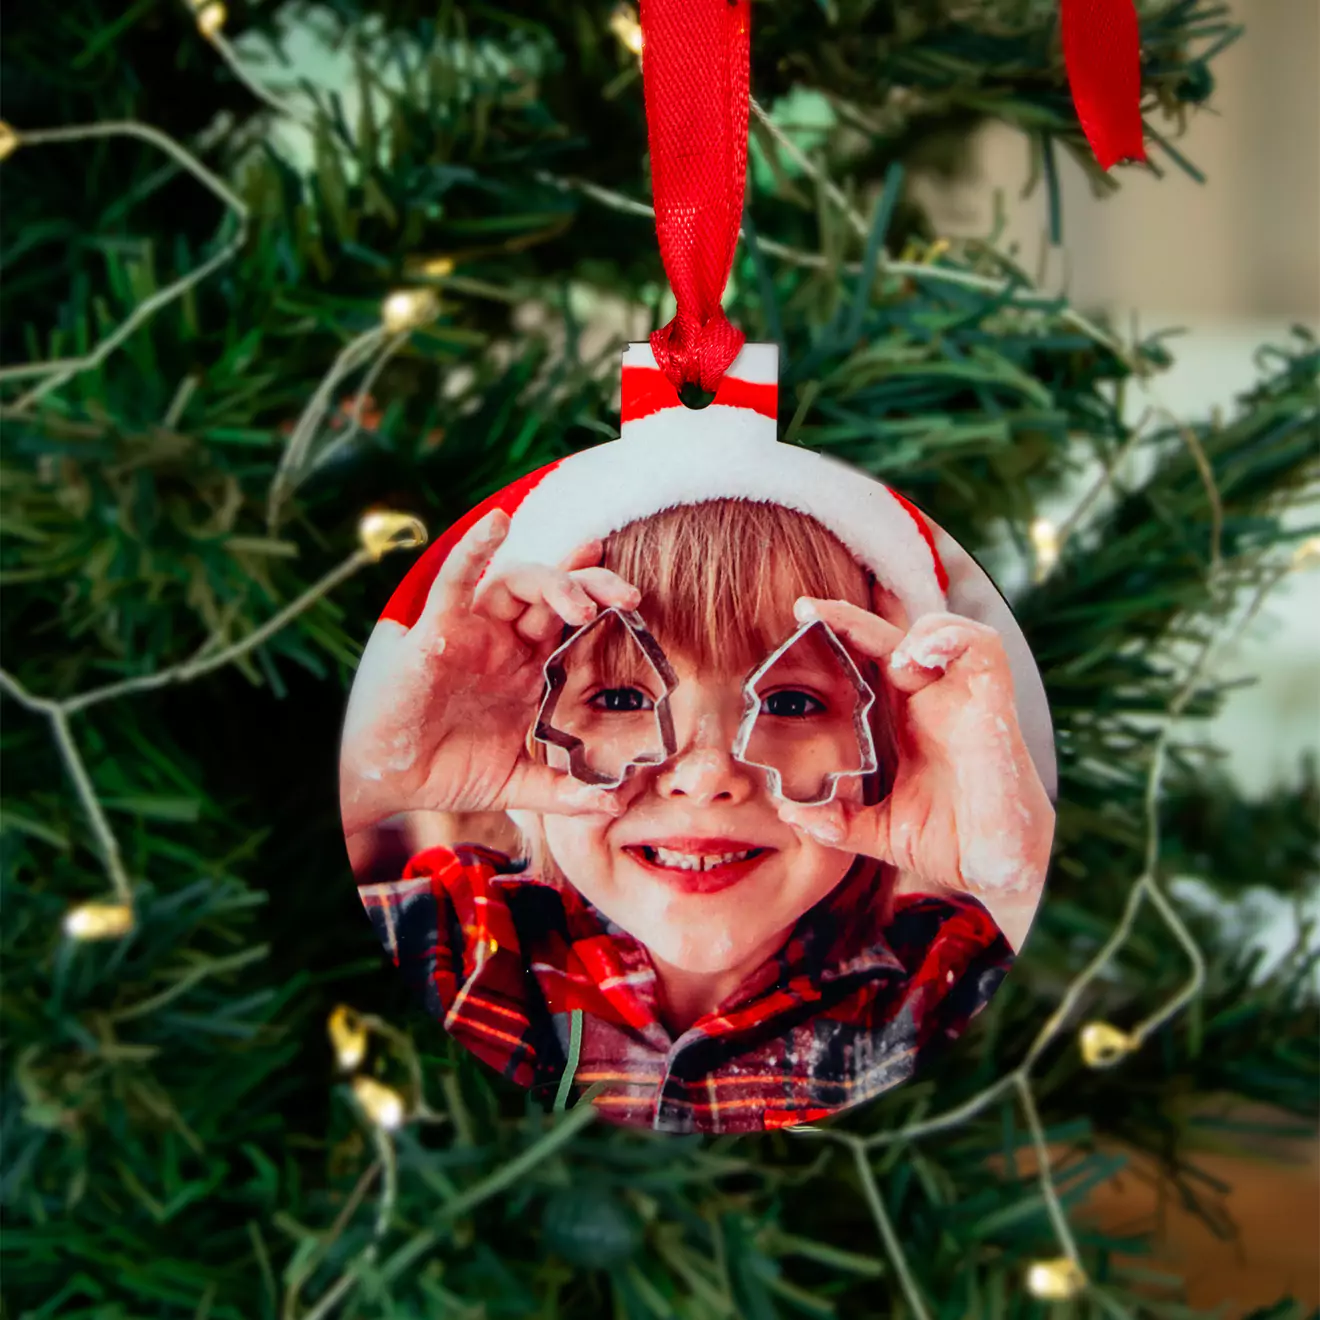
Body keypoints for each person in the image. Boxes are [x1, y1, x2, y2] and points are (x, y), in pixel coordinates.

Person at [340, 484, 1054, 1133]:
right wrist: (374, 770)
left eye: (792, 701)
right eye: (619, 698)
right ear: (530, 728)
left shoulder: (950, 983)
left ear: (888, 742)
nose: (707, 775)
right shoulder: (446, 947)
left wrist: (1018, 875)